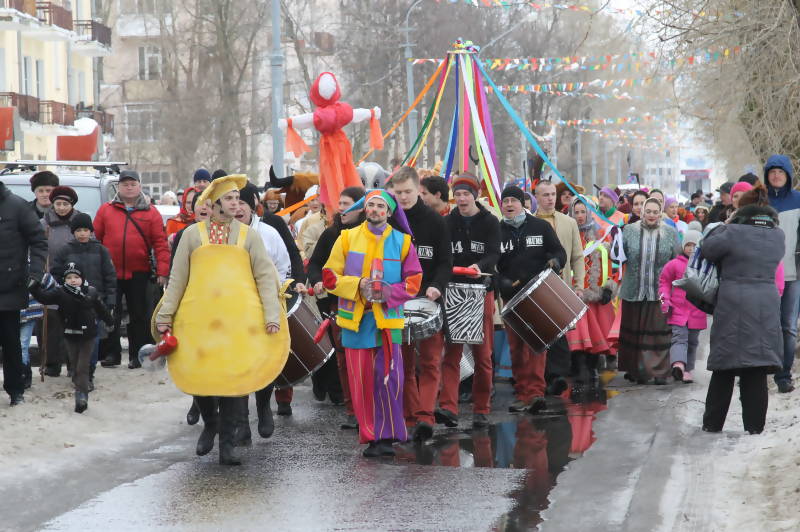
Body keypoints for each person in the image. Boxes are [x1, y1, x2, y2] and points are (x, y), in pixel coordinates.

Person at [156, 175, 287, 465]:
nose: (236, 204)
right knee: (201, 379)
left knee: (232, 383)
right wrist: (166, 316)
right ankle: (210, 423)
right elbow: (177, 279)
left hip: (237, 323)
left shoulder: (248, 236)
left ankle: (227, 444)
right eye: (230, 199)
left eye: (238, 199)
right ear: (214, 204)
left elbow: (265, 276)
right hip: (198, 320)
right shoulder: (191, 235)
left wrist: (271, 314)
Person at [321, 189, 422, 457]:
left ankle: (388, 436)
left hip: (389, 322)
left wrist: (389, 293)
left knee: (390, 379)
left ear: (389, 213)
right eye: (371, 205)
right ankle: (370, 436)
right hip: (355, 322)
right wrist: (358, 285)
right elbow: (329, 275)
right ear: (365, 209)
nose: (375, 210)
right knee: (361, 381)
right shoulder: (346, 238)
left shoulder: (402, 242)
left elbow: (414, 280)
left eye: (380, 206)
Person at [700, 203, 784, 433]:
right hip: (765, 303)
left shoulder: (732, 232)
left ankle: (712, 423)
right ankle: (755, 426)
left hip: (732, 302)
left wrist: (724, 225)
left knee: (724, 366)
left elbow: (707, 249)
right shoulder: (778, 235)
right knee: (756, 365)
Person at [387, 167, 452, 441]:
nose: (402, 197)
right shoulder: (389, 221)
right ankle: (410, 415)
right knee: (401, 361)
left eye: (407, 192)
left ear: (418, 190)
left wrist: (437, 286)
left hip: (429, 300)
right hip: (398, 300)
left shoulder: (436, 222)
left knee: (430, 361)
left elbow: (445, 262)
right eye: (398, 192)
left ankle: (425, 416)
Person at [439, 172, 500, 428]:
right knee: (451, 353)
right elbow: (443, 254)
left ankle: (481, 408)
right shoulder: (447, 221)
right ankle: (448, 407)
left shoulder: (489, 221)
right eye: (458, 194)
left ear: (475, 196)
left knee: (482, 355)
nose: (462, 199)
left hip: (479, 290)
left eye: (466, 194)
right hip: (453, 290)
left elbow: (494, 253)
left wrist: (479, 265)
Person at [497, 185, 565, 414]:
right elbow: (489, 262)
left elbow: (559, 252)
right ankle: (523, 393)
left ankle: (536, 394)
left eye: (512, 201)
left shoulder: (540, 227)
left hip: (538, 295)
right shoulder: (497, 232)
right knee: (517, 348)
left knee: (537, 345)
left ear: (522, 203)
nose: (508, 205)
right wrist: (499, 281)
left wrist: (555, 262)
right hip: (511, 297)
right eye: (505, 201)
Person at [233, 181, 292, 443]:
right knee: (240, 363)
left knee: (263, 359)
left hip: (264, 305)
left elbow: (283, 265)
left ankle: (264, 406)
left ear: (252, 207)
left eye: (242, 204)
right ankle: (242, 420)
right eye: (233, 204)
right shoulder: (223, 235)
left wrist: (270, 292)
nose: (237, 209)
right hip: (234, 309)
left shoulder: (268, 233)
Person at [94, 170, 170, 369]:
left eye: (132, 184)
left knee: (139, 315)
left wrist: (163, 271)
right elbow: (96, 241)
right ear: (118, 187)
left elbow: (160, 244)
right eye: (125, 184)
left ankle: (137, 354)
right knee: (110, 313)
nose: (129, 187)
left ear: (139, 186)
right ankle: (111, 353)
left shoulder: (151, 212)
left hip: (140, 271)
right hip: (110, 273)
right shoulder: (106, 210)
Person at [305, 186, 366, 430]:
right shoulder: (331, 234)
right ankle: (351, 409)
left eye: (347, 204)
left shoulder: (371, 233)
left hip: (370, 304)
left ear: (361, 208)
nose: (341, 209)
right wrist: (318, 278)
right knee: (342, 357)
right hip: (338, 303)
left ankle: (369, 407)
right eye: (339, 203)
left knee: (367, 358)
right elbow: (315, 264)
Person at [32, 264, 113, 413]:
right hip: (70, 334)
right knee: (75, 366)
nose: (73, 280)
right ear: (64, 280)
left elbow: (101, 308)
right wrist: (34, 287)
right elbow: (44, 298)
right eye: (69, 278)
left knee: (83, 366)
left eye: (76, 277)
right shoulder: (60, 292)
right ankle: (80, 388)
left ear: (82, 279)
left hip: (88, 335)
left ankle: (81, 396)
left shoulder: (91, 291)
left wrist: (110, 321)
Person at [618, 198, 680, 385]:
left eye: (655, 211)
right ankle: (637, 371)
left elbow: (677, 260)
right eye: (648, 211)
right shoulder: (628, 231)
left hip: (660, 291)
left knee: (658, 331)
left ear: (660, 213)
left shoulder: (670, 232)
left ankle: (660, 372)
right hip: (633, 289)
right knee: (635, 331)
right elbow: (619, 257)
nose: (652, 215)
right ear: (642, 212)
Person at [51, 213, 117, 387]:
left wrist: (110, 300)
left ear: (91, 231)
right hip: (70, 304)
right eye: (79, 230)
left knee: (93, 340)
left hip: (93, 302)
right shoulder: (65, 250)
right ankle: (74, 369)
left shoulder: (101, 250)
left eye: (85, 230)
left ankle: (89, 373)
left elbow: (110, 277)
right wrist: (63, 291)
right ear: (73, 232)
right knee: (72, 339)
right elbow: (55, 273)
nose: (82, 233)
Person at [534, 180, 585, 393]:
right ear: (536, 197)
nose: (550, 198)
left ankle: (557, 376)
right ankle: (541, 377)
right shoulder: (530, 222)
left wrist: (579, 285)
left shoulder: (568, 222)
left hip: (561, 287)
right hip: (535, 288)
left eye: (552, 194)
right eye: (545, 195)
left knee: (559, 333)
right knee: (539, 334)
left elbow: (577, 256)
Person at [0, 179, 47, 405]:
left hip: (10, 285)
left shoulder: (17, 206)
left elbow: (39, 241)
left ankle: (15, 390)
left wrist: (35, 274)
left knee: (11, 342)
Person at [565, 197, 618, 386]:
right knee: (577, 336)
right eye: (576, 212)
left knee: (597, 337)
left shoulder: (602, 234)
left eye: (583, 212)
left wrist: (609, 288)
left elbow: (612, 264)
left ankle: (593, 368)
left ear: (590, 212)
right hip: (574, 294)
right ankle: (579, 369)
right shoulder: (567, 233)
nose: (580, 216)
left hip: (596, 296)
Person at [764, 155, 800, 393]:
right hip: (764, 275)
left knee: (788, 326)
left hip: (793, 274)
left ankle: (784, 375)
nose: (776, 175)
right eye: (772, 172)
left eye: (781, 172)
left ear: (788, 175)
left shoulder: (798, 199)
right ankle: (758, 369)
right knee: (765, 324)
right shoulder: (760, 201)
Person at [39, 186, 81, 377]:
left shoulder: (80, 223)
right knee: (51, 323)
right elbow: (37, 247)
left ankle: (73, 364)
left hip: (75, 277)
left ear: (72, 205)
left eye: (66, 204)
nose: (62, 208)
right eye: (58, 204)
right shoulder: (44, 224)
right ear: (53, 204)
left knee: (73, 321)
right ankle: (51, 363)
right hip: (51, 277)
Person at [658, 230, 707, 384]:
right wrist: (665, 299)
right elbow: (664, 282)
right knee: (679, 338)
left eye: (695, 245)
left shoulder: (704, 265)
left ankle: (688, 369)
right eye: (688, 245)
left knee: (692, 342)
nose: (691, 249)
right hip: (678, 309)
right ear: (683, 246)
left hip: (697, 310)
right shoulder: (674, 264)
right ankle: (678, 364)